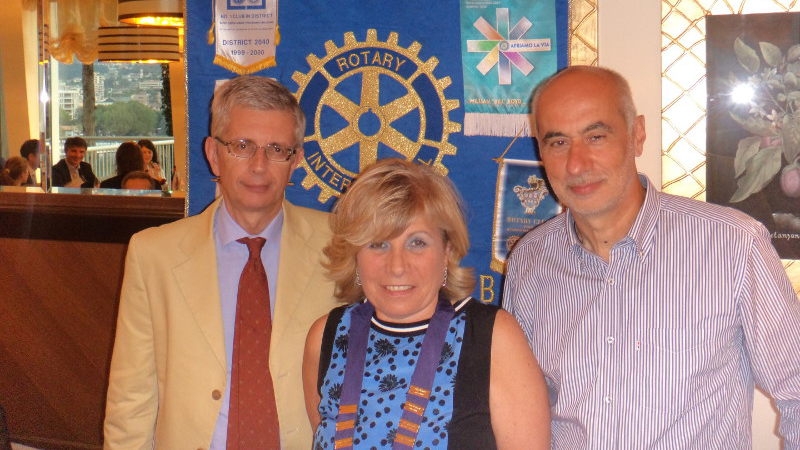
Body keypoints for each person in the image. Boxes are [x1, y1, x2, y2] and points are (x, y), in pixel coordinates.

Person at [502, 65, 800, 448]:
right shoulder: (529, 262)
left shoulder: (732, 245)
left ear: (637, 134)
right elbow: (521, 409)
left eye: (596, 136)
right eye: (558, 142)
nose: (576, 164)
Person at [104, 75, 338, 450]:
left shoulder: (339, 246)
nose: (259, 165)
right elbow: (131, 400)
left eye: (277, 149)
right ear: (214, 154)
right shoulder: (154, 255)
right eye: (242, 146)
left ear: (296, 160)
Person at [304, 158, 550, 450]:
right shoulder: (327, 336)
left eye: (417, 242)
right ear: (355, 255)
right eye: (378, 244)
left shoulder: (493, 336)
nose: (397, 266)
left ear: (446, 250)